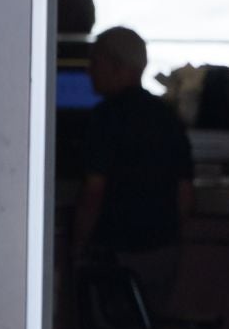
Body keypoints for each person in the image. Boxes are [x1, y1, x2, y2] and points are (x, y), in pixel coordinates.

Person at [77, 26, 193, 314]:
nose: (89, 72)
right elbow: (185, 196)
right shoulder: (168, 117)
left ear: (117, 67)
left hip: (112, 255)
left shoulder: (104, 119)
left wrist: (77, 246)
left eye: (95, 63)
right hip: (162, 252)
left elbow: (94, 192)